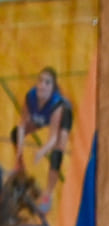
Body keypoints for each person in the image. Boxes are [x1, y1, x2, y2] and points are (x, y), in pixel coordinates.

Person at [10, 67, 73, 213]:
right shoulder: (30, 97)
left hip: (61, 117)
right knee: (15, 134)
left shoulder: (57, 105)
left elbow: (53, 138)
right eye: (40, 81)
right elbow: (21, 125)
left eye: (47, 82)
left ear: (53, 87)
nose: (42, 85)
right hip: (43, 115)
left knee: (57, 152)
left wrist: (41, 152)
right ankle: (20, 168)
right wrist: (19, 152)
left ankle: (48, 195)